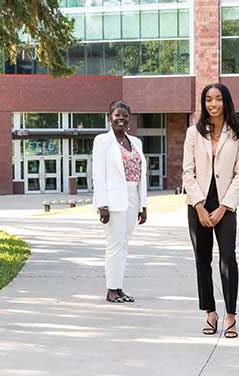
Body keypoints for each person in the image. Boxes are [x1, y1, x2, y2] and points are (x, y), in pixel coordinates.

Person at [182, 83, 239, 338]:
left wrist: (224, 207)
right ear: (203, 103)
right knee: (202, 260)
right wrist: (199, 205)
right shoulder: (192, 133)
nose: (213, 104)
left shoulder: (238, 134)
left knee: (228, 257)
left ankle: (231, 315)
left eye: (218, 99)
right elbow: (188, 172)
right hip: (198, 204)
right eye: (208, 99)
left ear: (226, 102)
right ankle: (210, 312)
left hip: (225, 204)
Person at [93, 100, 147, 303]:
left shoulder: (136, 143)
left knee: (124, 244)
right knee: (114, 244)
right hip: (113, 200)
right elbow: (98, 174)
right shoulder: (102, 141)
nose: (121, 119)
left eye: (125, 115)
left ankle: (119, 287)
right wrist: (102, 204)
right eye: (117, 115)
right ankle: (111, 290)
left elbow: (142, 175)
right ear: (109, 118)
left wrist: (144, 206)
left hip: (133, 197)